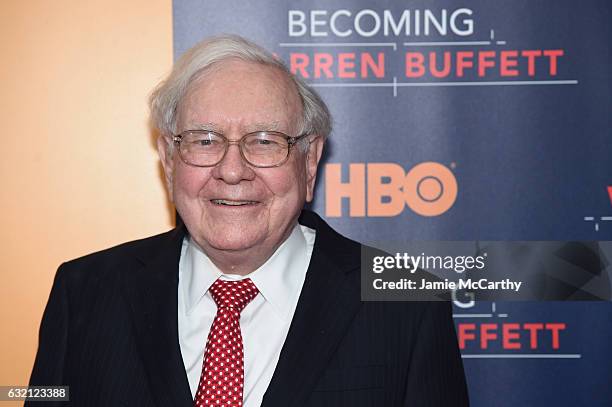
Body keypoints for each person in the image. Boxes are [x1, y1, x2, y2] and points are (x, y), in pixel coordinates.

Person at [28, 35, 469, 407]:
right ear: (168, 159)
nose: (233, 170)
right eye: (204, 140)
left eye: (264, 141)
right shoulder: (84, 292)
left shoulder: (408, 306)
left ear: (310, 161)